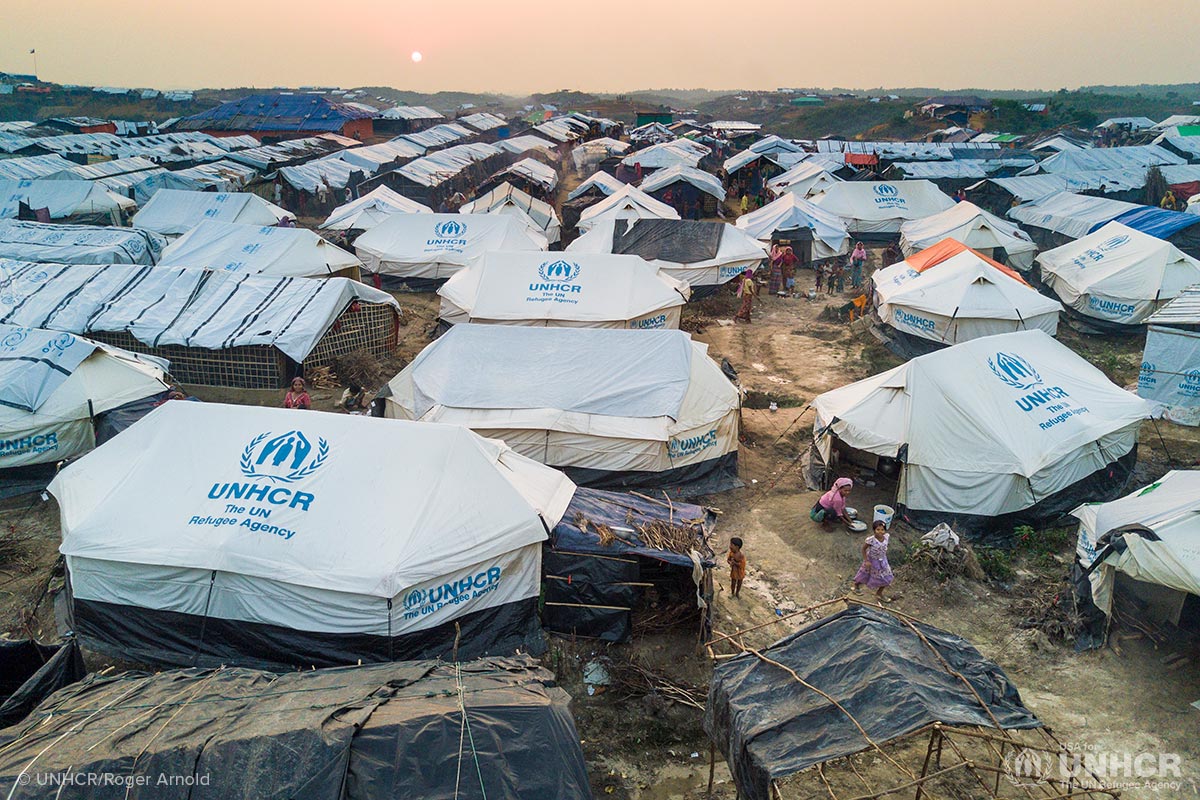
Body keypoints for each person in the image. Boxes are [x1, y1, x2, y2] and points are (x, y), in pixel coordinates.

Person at [853, 521, 896, 603]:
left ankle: (879, 593)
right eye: (878, 529)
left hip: (883, 561)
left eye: (882, 530)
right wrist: (866, 561)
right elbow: (863, 549)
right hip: (871, 560)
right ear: (874, 530)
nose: (880, 532)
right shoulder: (871, 540)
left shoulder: (886, 537)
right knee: (864, 574)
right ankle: (856, 586)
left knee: (887, 577)